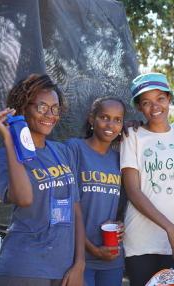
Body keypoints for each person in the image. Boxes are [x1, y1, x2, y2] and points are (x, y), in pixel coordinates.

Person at [0, 74, 84, 286]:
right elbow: (24, 198)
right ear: (24, 108)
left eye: (55, 108)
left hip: (64, 269)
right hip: (24, 267)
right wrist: (9, 139)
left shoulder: (63, 152)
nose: (50, 115)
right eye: (42, 107)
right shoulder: (4, 157)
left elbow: (75, 210)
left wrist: (79, 263)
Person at [120, 72, 174, 285]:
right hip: (142, 242)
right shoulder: (131, 136)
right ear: (139, 108)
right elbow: (133, 191)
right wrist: (170, 229)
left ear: (169, 99)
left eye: (160, 98)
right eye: (146, 102)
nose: (155, 107)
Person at [65, 97, 126, 286]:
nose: (111, 125)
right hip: (79, 257)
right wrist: (93, 249)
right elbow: (67, 205)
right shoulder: (74, 148)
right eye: (104, 117)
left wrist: (120, 224)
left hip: (111, 258)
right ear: (92, 119)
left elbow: (122, 201)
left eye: (117, 120)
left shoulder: (120, 158)